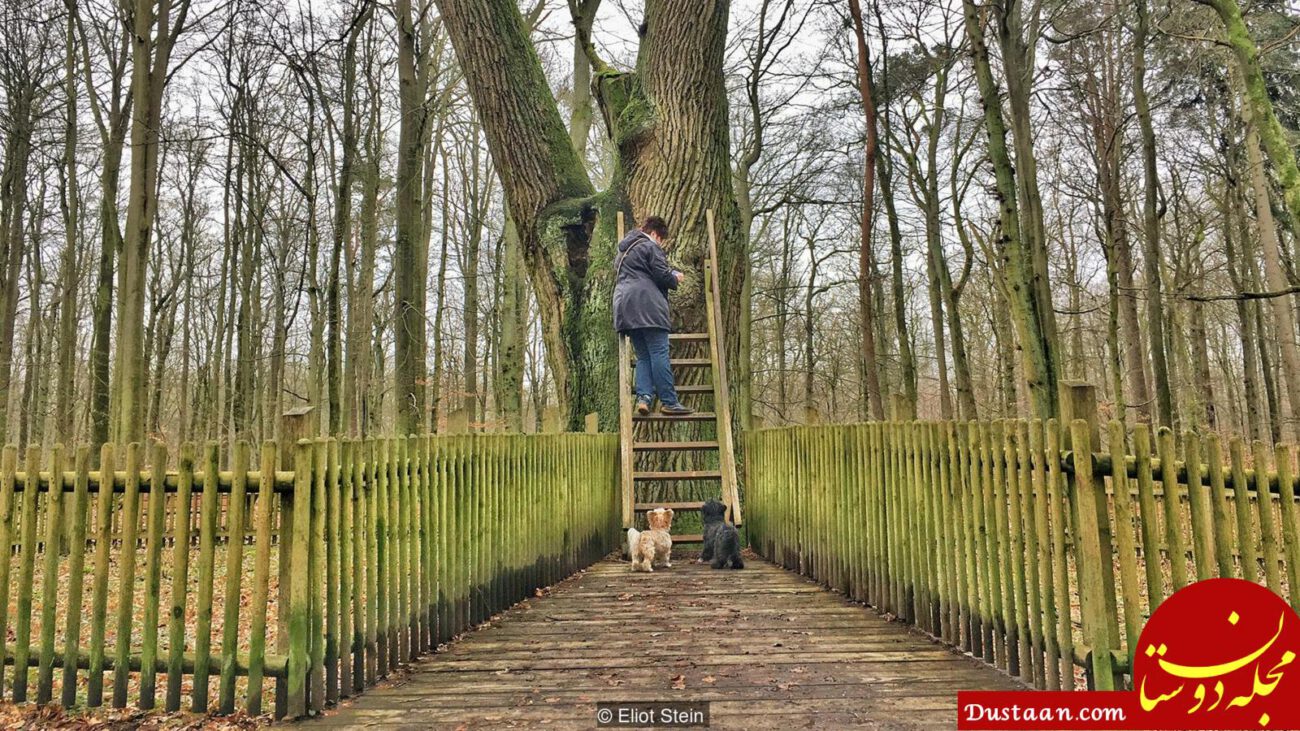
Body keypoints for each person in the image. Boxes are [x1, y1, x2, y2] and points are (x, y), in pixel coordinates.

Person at [613, 216, 694, 416]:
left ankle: (644, 398)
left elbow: (639, 273)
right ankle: (669, 401)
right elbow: (660, 275)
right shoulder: (651, 247)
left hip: (624, 306)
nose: (660, 244)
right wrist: (675, 277)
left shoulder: (623, 250)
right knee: (659, 353)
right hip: (647, 306)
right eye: (661, 240)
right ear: (655, 235)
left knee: (643, 356)